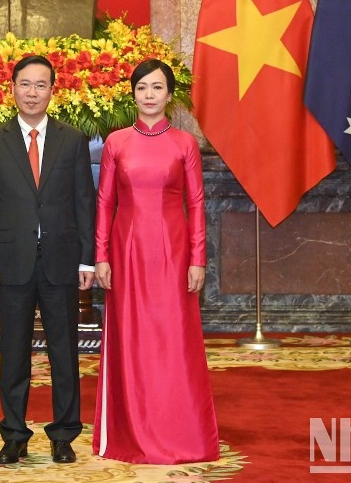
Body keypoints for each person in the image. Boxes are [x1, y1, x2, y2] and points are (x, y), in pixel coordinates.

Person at [93, 59, 220, 464]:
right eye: (142, 88)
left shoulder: (184, 143)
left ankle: (180, 430)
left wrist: (198, 258)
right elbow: (105, 202)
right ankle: (130, 431)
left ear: (170, 95)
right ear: (133, 94)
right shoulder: (117, 142)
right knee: (131, 339)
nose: (149, 95)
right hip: (126, 252)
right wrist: (101, 255)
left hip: (174, 252)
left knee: (174, 341)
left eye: (157, 88)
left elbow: (197, 204)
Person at [0, 54, 96, 464]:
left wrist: (88, 259)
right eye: (25, 84)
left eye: (40, 85)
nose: (32, 92)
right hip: (11, 264)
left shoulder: (72, 139)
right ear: (12, 88)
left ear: (52, 90)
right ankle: (13, 434)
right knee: (13, 352)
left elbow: (84, 202)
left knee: (65, 352)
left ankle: (63, 434)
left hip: (62, 261)